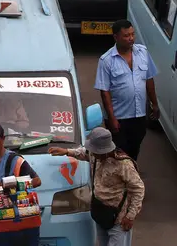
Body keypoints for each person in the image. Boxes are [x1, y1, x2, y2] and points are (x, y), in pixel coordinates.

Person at [49, 127, 144, 246]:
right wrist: (67, 151)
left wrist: (130, 216)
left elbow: (138, 189)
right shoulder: (95, 155)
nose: (92, 153)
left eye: (95, 151)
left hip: (118, 218)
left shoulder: (123, 164)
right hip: (100, 214)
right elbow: (84, 153)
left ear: (104, 151)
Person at [95, 19, 159, 161]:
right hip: (119, 118)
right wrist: (112, 118)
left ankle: (131, 175)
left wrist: (154, 104)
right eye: (126, 36)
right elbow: (105, 92)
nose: (131, 39)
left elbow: (149, 79)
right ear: (116, 37)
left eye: (132, 34)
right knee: (120, 154)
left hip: (139, 115)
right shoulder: (106, 60)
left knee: (134, 149)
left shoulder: (142, 52)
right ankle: (122, 179)